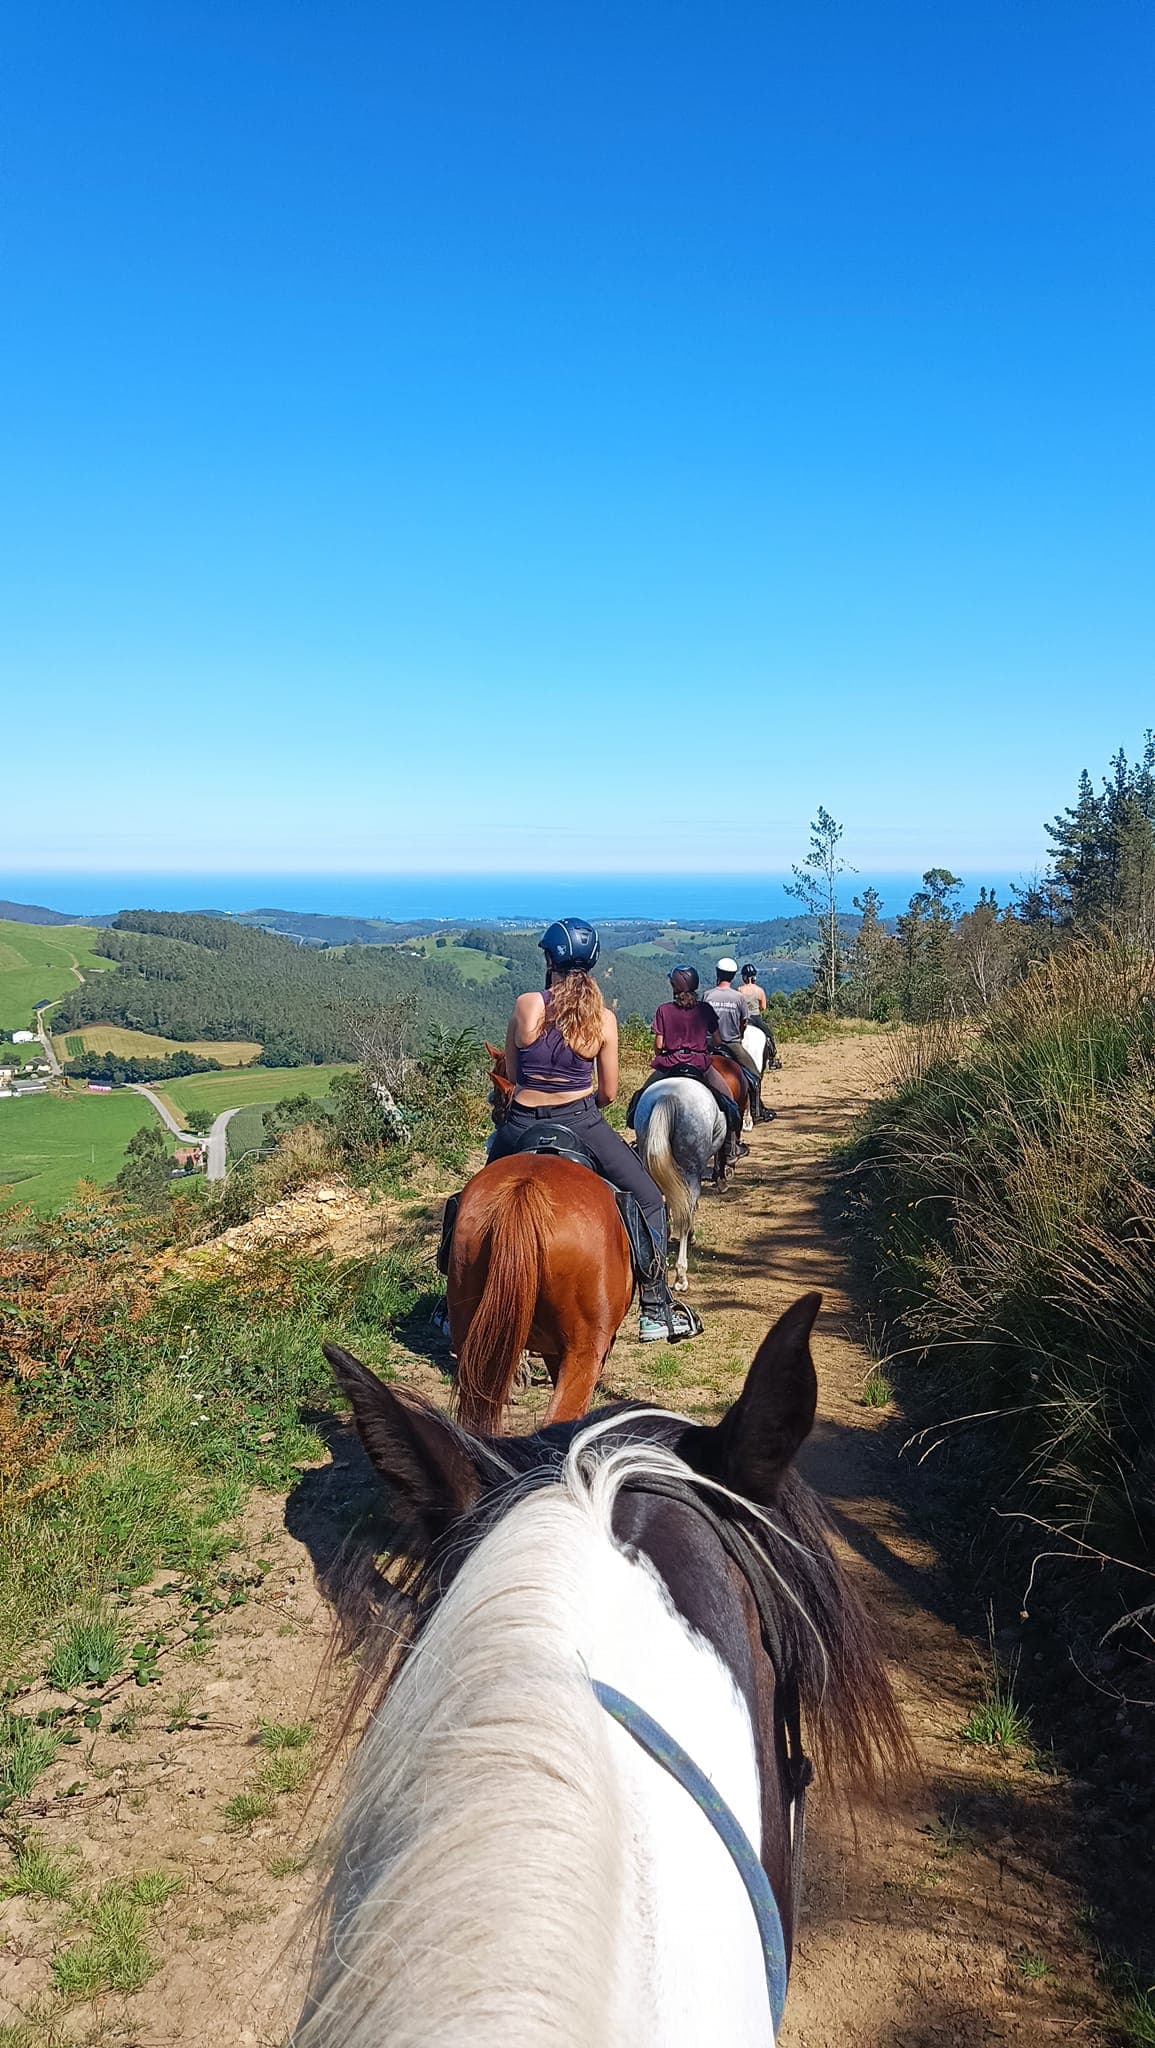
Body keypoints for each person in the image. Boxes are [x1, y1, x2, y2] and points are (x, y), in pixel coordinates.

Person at [487, 917, 701, 1344]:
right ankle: (656, 1309)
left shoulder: (527, 1004)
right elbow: (609, 1092)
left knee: (470, 1201)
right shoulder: (602, 1019)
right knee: (649, 1198)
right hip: (582, 1122)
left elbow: (511, 1073)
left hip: (520, 1125)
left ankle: (449, 1305)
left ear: (549, 960)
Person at [627, 966, 746, 1165]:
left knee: (639, 1099)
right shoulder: (705, 1010)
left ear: (674, 986)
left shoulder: (663, 1010)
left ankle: (641, 1144)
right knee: (728, 1101)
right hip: (700, 1065)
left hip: (670, 1064)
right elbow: (717, 1041)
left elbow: (658, 1046)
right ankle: (729, 1146)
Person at [706, 958, 768, 1122]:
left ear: (718, 974)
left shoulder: (707, 995)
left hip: (709, 1043)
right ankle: (756, 1111)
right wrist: (739, 1036)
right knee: (754, 1075)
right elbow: (744, 1022)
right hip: (732, 1044)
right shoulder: (737, 998)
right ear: (733, 976)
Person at [740, 962, 780, 1075]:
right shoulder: (759, 990)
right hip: (756, 1018)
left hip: (744, 1018)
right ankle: (772, 1058)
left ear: (743, 977)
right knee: (769, 1035)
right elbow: (763, 1007)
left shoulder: (739, 990)